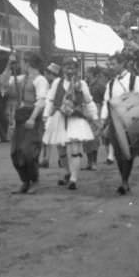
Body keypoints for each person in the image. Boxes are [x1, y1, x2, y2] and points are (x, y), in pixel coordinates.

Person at [43, 56, 98, 191]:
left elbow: (88, 101)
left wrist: (95, 116)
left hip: (76, 118)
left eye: (72, 67)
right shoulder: (57, 82)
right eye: (67, 66)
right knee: (61, 147)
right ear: (63, 68)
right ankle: (67, 172)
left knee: (75, 148)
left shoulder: (81, 84)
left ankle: (74, 178)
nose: (70, 69)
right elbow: (50, 99)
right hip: (59, 117)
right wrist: (46, 115)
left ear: (76, 69)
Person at [101, 52, 139, 195]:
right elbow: (106, 103)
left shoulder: (135, 80)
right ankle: (123, 178)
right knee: (117, 152)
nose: (111, 66)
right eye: (110, 64)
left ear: (122, 64)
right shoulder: (110, 84)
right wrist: (103, 119)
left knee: (128, 152)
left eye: (114, 63)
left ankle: (125, 181)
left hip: (130, 121)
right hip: (114, 122)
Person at [10, 53, 49, 194]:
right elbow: (4, 82)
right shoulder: (23, 78)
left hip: (33, 116)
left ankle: (35, 180)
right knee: (15, 152)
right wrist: (9, 65)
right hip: (21, 117)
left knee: (28, 152)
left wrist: (32, 118)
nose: (21, 65)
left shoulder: (40, 80)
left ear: (28, 63)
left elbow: (41, 101)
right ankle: (25, 181)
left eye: (22, 62)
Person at [39, 62, 62, 168]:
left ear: (50, 73)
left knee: (52, 137)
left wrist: (46, 114)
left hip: (54, 113)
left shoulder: (56, 83)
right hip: (53, 113)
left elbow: (51, 100)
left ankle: (52, 159)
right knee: (50, 137)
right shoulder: (53, 83)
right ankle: (48, 159)